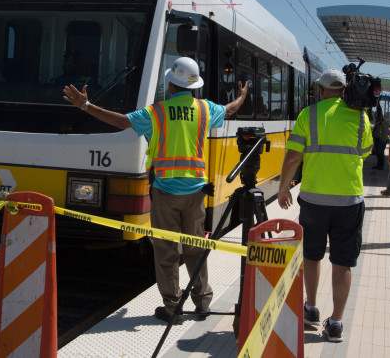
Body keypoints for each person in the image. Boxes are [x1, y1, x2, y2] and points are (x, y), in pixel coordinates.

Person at [62, 56, 248, 325]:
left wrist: (86, 105)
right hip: (196, 192)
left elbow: (122, 121)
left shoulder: (157, 112)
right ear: (194, 86)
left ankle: (173, 308)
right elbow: (230, 110)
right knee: (196, 247)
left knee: (166, 251)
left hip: (164, 193)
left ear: (171, 84)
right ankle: (202, 303)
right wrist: (241, 96)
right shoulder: (206, 110)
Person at [276, 68, 373, 343]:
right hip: (349, 200)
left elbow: (293, 157)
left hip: (314, 200)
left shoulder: (310, 114)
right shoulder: (361, 116)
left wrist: (283, 189)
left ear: (320, 90)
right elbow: (365, 153)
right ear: (344, 90)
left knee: (312, 255)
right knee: (343, 262)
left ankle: (311, 308)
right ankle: (336, 324)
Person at [371, 104, 387, 170]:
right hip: (377, 140)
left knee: (380, 154)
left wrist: (382, 141)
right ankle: (378, 165)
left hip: (381, 141)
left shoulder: (384, 123)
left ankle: (381, 166)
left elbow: (385, 132)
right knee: (378, 154)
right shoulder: (378, 123)